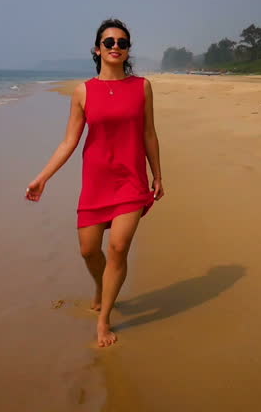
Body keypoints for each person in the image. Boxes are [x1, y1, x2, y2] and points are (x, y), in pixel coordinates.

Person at [25, 18, 164, 347]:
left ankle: (104, 321)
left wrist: (157, 174)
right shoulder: (83, 91)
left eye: (122, 43)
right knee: (89, 251)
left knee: (118, 247)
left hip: (131, 181)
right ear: (97, 49)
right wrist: (42, 177)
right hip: (96, 183)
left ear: (128, 50)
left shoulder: (142, 87)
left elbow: (149, 133)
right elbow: (69, 141)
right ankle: (102, 286)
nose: (116, 47)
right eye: (109, 42)